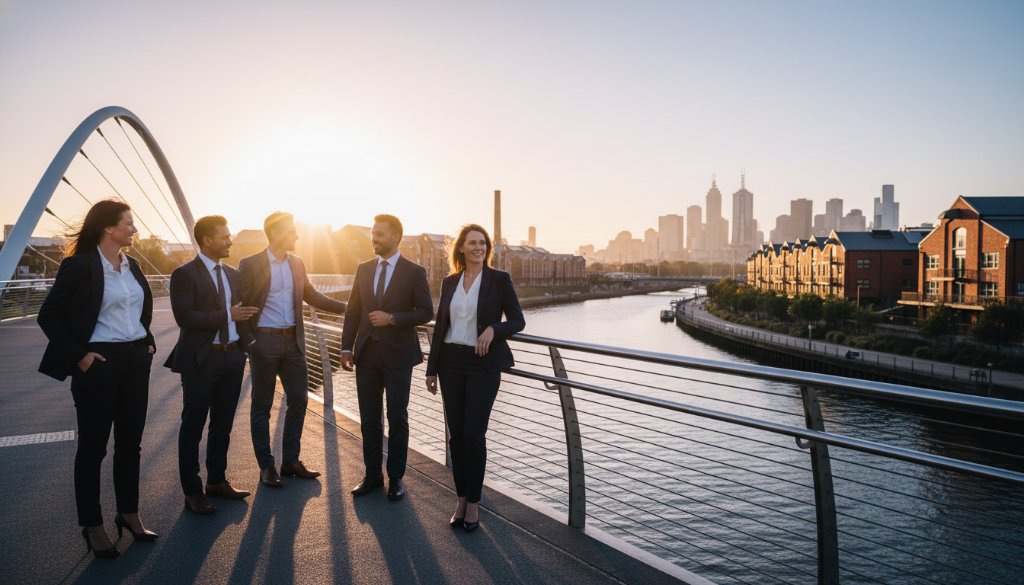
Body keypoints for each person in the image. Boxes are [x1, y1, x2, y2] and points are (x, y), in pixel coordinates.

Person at [37, 199, 158, 558]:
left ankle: (129, 514)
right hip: (99, 363)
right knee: (93, 448)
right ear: (108, 227)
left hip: (135, 361)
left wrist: (146, 341)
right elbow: (50, 316)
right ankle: (92, 525)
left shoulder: (132, 265)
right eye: (128, 223)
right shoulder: (79, 266)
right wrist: (81, 357)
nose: (134, 229)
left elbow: (139, 309)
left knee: (130, 445)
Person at [425, 224, 524, 531]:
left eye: (483, 243)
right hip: (451, 364)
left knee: (473, 434)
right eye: (473, 242)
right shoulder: (449, 282)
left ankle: (474, 504)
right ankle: (461, 498)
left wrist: (495, 329)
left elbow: (518, 320)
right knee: (456, 436)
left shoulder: (499, 280)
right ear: (462, 248)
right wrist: (431, 368)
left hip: (482, 365)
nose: (479, 247)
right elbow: (441, 327)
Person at [238, 211, 346, 488]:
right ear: (275, 234)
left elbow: (312, 295)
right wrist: (250, 342)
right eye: (291, 231)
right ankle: (266, 466)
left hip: (294, 343)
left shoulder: (297, 263)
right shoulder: (250, 264)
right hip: (264, 341)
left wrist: (349, 308)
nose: (297, 236)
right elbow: (238, 306)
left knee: (299, 399)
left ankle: (291, 461)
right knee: (262, 406)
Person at [166, 215, 258, 515]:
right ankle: (192, 492)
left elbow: (241, 315)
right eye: (225, 236)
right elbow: (186, 318)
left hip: (232, 357)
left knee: (223, 424)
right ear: (207, 239)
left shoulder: (233, 274)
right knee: (193, 426)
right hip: (201, 360)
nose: (230, 240)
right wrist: (227, 314)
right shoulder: (184, 274)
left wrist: (248, 347)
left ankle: (217, 481)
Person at [341, 214, 433, 501]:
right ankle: (372, 475)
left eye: (379, 233)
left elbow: (426, 312)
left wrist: (392, 318)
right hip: (366, 354)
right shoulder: (363, 269)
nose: (374, 238)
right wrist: (346, 347)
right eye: (372, 233)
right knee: (369, 418)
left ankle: (395, 478)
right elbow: (354, 311)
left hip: (398, 356)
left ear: (395, 237)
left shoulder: (414, 272)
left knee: (397, 417)